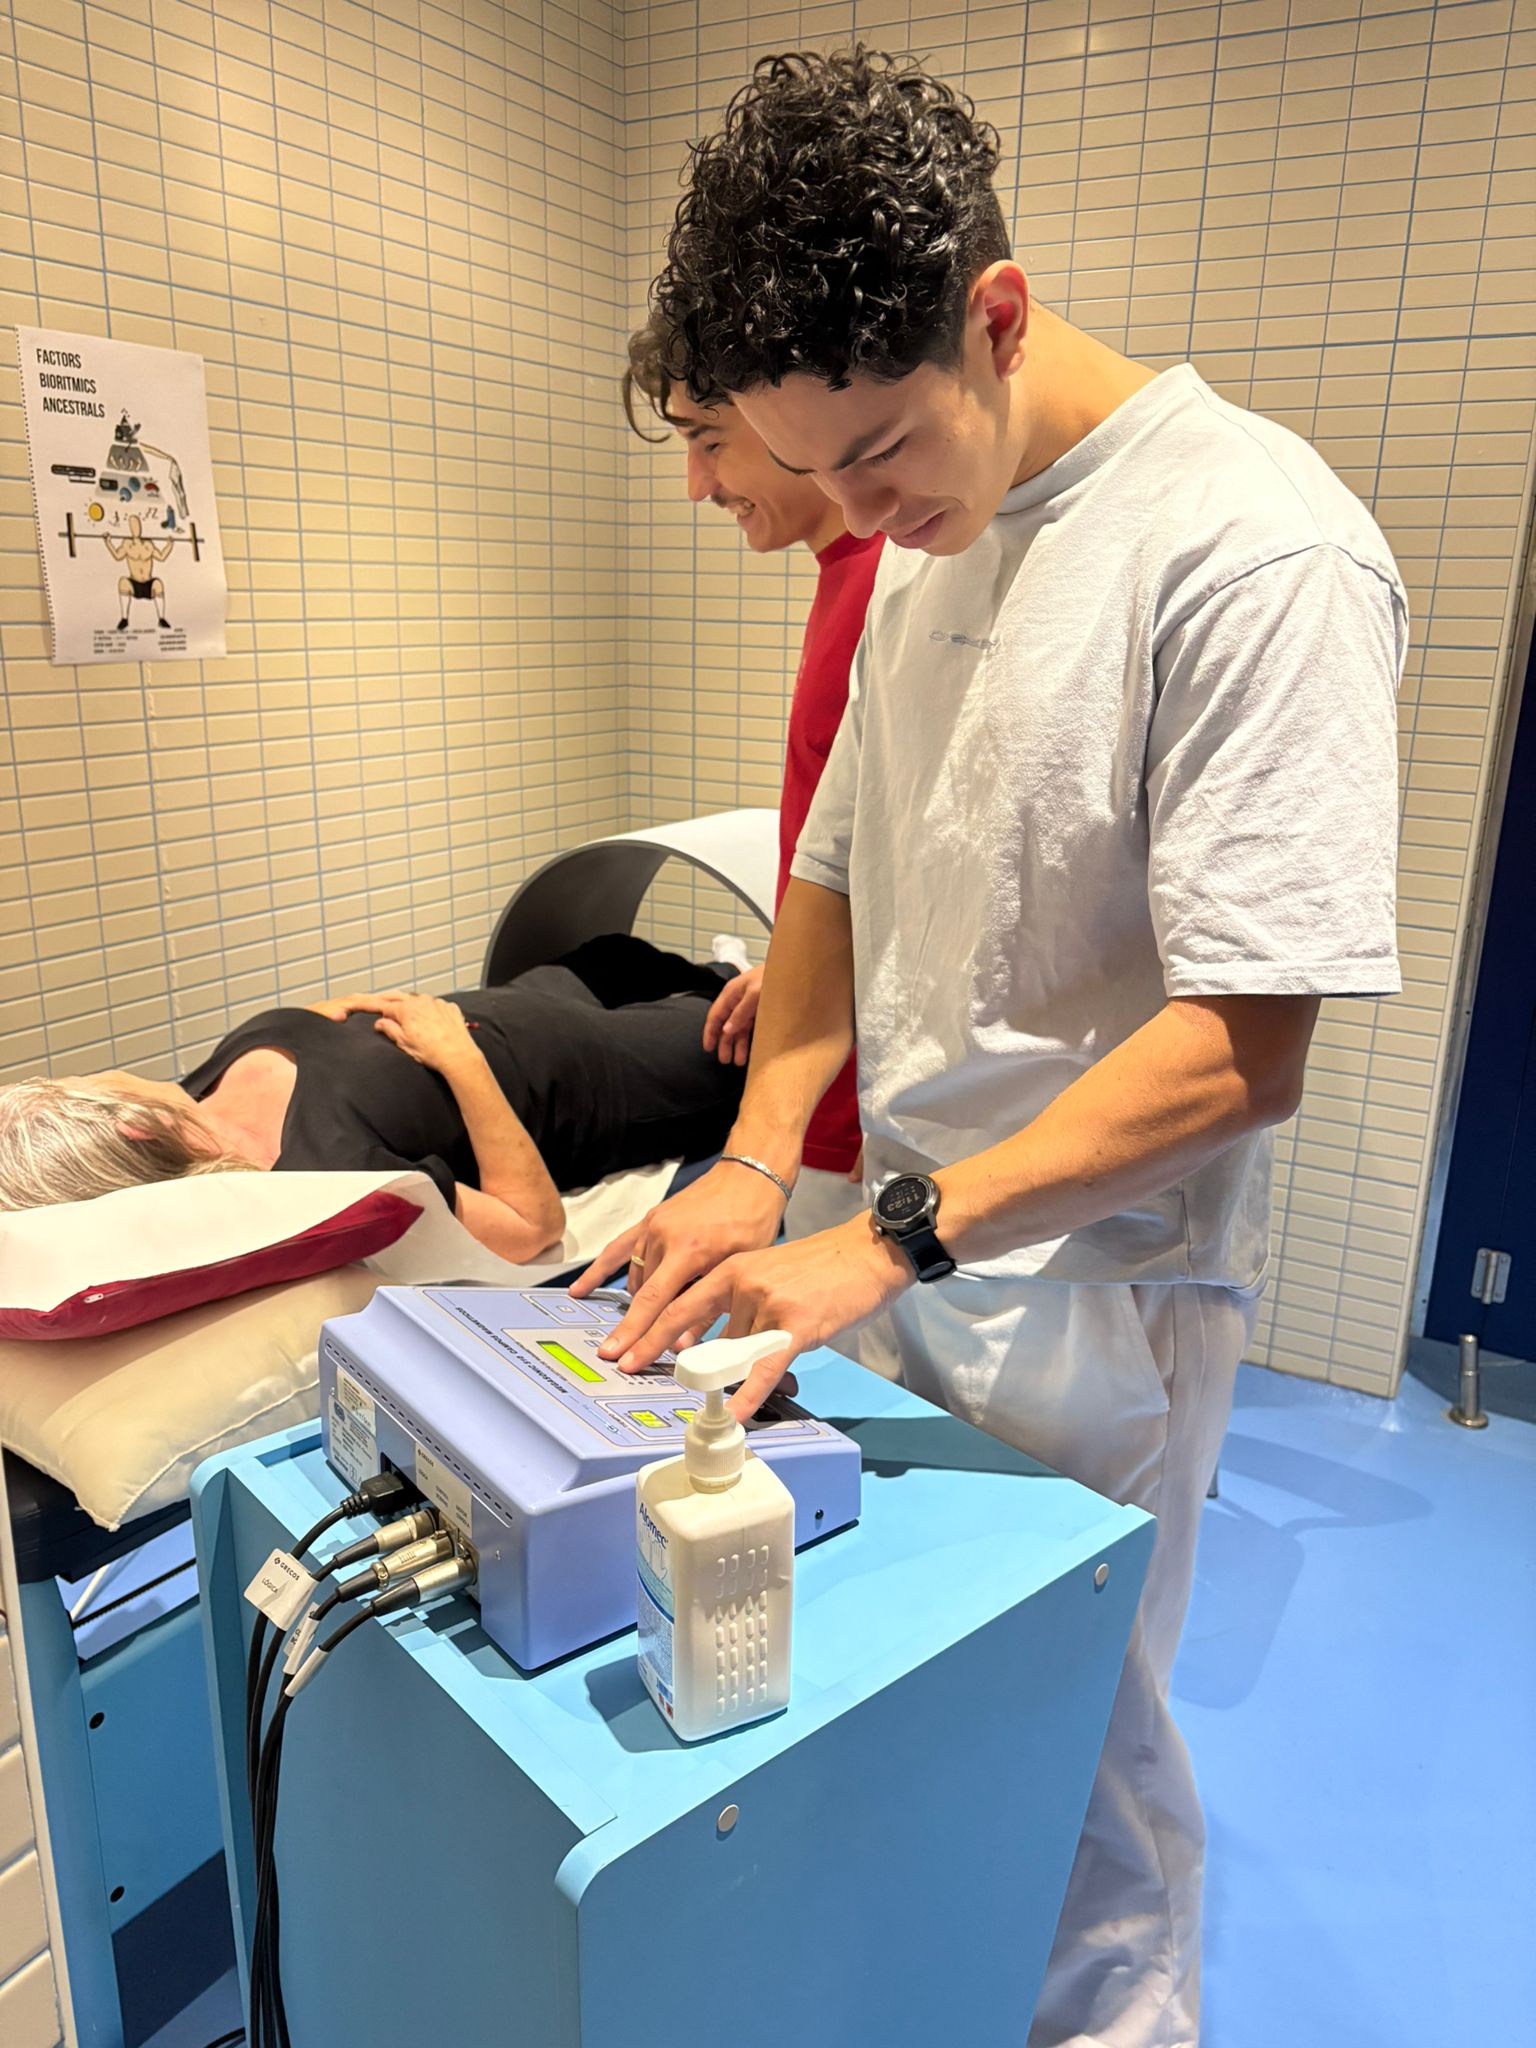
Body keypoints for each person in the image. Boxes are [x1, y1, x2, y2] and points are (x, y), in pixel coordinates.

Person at [577, 49, 1406, 2048]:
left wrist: (887, 1235)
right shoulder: (921, 551)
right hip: (905, 1246)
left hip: (1097, 1291)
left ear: (999, 315)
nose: (851, 517)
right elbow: (836, 880)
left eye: (874, 457)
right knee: (909, 1713)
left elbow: (1245, 1046)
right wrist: (760, 1165)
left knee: (1077, 1767)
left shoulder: (1252, 549)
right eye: (818, 473)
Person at [0, 937, 744, 1265]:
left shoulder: (193, 1095)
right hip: (595, 1079)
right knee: (753, 1021)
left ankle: (718, 969)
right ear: (134, 1131)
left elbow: (329, 1055)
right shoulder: (320, 1174)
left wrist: (337, 1016)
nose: (94, 1073)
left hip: (531, 1001)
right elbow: (531, 1227)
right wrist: (458, 1059)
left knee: (611, 948)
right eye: (77, 1085)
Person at [623, 311, 883, 1245]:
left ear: (790, 413)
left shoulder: (892, 586)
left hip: (864, 1120)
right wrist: (797, 969)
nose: (698, 487)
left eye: (709, 441)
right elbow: (859, 851)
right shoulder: (847, 575)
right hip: (816, 1089)